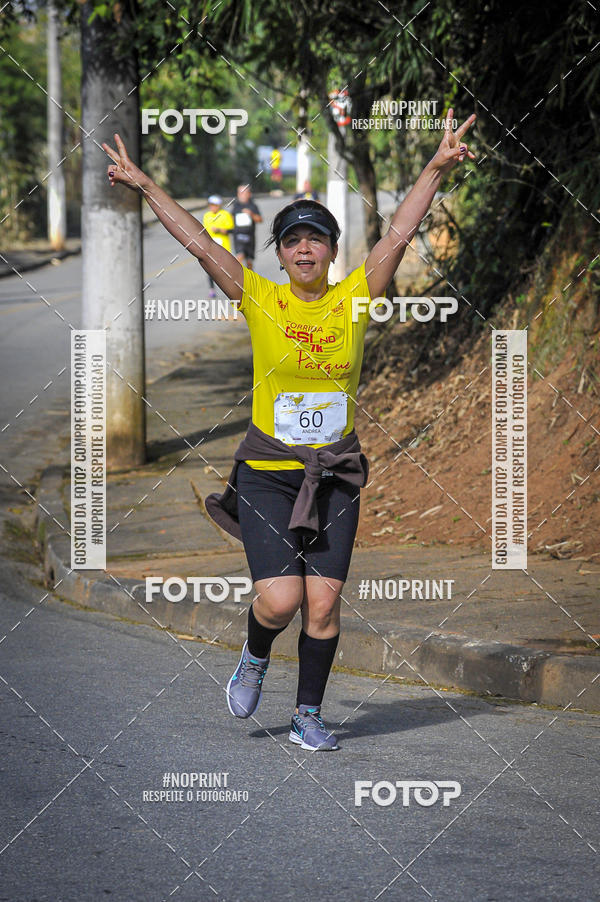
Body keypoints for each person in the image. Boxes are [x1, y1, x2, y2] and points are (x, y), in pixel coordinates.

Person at [102, 106, 476, 751]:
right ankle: (254, 653)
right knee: (279, 602)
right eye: (293, 240)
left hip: (336, 472)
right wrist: (147, 187)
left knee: (324, 606)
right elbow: (200, 242)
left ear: (331, 252)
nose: (305, 249)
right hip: (270, 475)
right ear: (279, 253)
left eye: (317, 239)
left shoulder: (355, 297)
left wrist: (436, 167)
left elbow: (400, 232)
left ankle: (308, 714)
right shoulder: (257, 296)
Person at [202, 194, 234, 299]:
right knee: (210, 269)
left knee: (224, 271)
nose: (213, 207)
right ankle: (212, 290)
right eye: (211, 205)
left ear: (219, 205)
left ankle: (230, 290)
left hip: (224, 247)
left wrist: (221, 230)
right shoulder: (207, 216)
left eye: (215, 205)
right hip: (210, 248)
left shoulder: (225, 215)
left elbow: (232, 229)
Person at [232, 184, 263, 270]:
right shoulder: (235, 206)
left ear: (249, 194)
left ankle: (250, 280)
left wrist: (251, 214)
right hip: (238, 236)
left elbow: (260, 219)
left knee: (249, 262)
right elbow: (230, 219)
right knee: (239, 257)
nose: (241, 195)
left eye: (244, 193)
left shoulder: (253, 206)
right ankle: (238, 279)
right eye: (240, 193)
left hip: (250, 236)